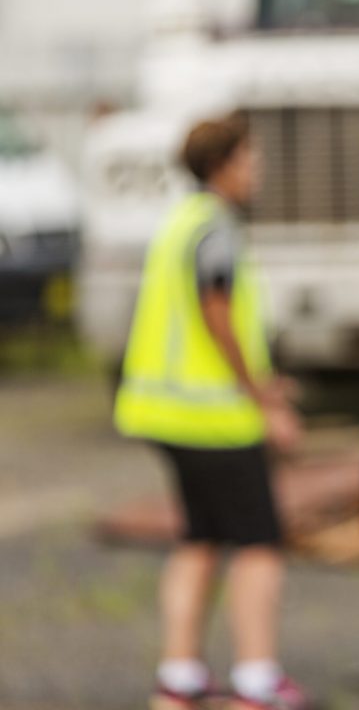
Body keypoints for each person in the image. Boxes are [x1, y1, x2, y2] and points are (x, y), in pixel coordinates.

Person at [113, 114, 310, 710]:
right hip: (214, 421)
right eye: (251, 158)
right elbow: (216, 309)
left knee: (200, 537)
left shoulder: (179, 222)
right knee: (258, 543)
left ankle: (180, 676)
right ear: (224, 163)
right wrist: (264, 396)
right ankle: (256, 679)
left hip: (164, 413)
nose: (259, 169)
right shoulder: (218, 228)